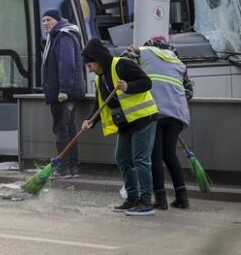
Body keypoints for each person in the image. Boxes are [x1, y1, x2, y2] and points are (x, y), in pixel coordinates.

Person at [80, 38, 158, 216]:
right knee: (122, 158)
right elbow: (99, 104)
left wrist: (128, 86)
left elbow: (146, 82)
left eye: (90, 64)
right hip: (125, 122)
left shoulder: (122, 65)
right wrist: (90, 120)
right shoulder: (100, 79)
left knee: (140, 160)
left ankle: (145, 201)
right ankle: (132, 198)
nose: (89, 68)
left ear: (98, 60)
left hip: (143, 118)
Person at [124, 35, 193, 209]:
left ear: (150, 44)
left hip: (155, 111)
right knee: (170, 156)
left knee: (154, 156)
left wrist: (130, 50)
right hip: (177, 114)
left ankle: (160, 200)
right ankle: (182, 197)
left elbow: (123, 65)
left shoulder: (143, 52)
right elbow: (189, 93)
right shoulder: (178, 62)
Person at [40, 9, 85, 178]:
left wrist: (63, 90)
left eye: (48, 20)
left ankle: (63, 168)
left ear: (58, 20)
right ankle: (72, 168)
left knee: (62, 130)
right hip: (65, 92)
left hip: (63, 94)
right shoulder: (59, 35)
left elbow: (67, 64)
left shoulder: (63, 36)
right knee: (70, 129)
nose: (45, 23)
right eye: (43, 21)